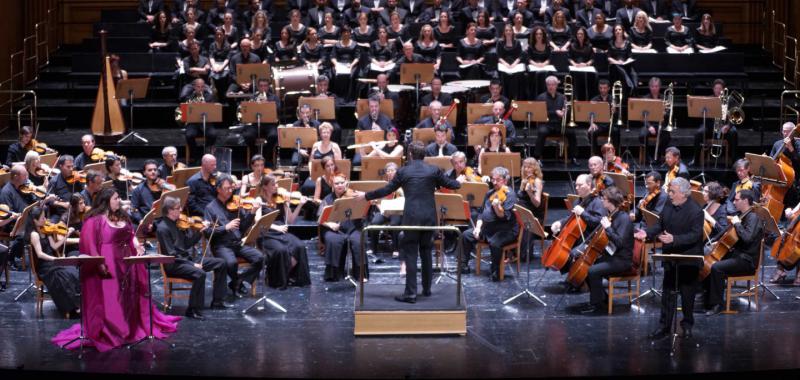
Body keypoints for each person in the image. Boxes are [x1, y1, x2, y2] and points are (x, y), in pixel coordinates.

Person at [52, 188, 181, 352]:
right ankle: (115, 331)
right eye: (115, 198)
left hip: (126, 262)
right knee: (112, 297)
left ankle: (129, 328)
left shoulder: (122, 216)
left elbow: (130, 233)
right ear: (106, 200)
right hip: (108, 261)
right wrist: (99, 263)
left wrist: (135, 244)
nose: (118, 201)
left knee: (127, 296)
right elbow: (90, 244)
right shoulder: (94, 220)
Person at [358, 141, 460, 301]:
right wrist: (460, 180)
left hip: (411, 218)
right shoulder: (433, 170)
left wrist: (366, 196)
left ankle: (411, 293)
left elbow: (386, 190)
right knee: (426, 252)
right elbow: (453, 184)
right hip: (429, 218)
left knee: (411, 254)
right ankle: (427, 290)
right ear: (424, 155)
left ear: (410, 155)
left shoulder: (403, 172)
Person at [634, 177, 703, 340]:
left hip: (688, 258)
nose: (669, 194)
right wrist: (648, 233)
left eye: (672, 191)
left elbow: (696, 235)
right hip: (670, 256)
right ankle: (664, 327)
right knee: (668, 294)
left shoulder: (696, 211)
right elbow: (660, 225)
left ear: (684, 194)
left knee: (687, 295)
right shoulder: (669, 204)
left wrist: (675, 239)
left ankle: (687, 326)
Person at [156, 196, 228, 320]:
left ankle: (217, 301)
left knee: (221, 263)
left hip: (186, 260)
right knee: (200, 274)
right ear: (170, 210)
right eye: (178, 208)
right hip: (174, 264)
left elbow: (186, 244)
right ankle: (193, 309)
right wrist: (192, 264)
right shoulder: (163, 228)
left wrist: (200, 232)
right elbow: (171, 254)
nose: (181, 210)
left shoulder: (177, 224)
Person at [204, 174, 265, 297]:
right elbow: (207, 232)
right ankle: (237, 282)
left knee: (260, 258)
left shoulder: (236, 204)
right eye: (227, 188)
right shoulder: (210, 208)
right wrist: (225, 228)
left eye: (232, 188)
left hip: (237, 244)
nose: (231, 191)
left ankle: (238, 281)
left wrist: (252, 212)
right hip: (221, 245)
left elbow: (243, 228)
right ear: (218, 189)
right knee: (231, 263)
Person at [705, 189, 763, 316]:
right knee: (708, 263)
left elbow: (747, 239)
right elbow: (734, 238)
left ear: (746, 201)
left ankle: (718, 305)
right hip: (738, 255)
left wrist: (737, 224)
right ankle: (708, 300)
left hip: (747, 261)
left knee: (716, 267)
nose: (734, 202)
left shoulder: (753, 217)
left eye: (737, 200)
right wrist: (717, 243)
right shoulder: (742, 216)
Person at [578, 186, 635, 314]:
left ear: (610, 201)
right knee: (586, 266)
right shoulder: (612, 215)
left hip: (622, 260)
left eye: (603, 199)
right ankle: (602, 299)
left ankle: (598, 305)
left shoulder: (624, 218)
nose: (601, 201)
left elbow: (619, 243)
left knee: (592, 271)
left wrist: (608, 228)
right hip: (612, 256)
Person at [254, 175, 312, 289]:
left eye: (276, 184)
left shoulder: (280, 199)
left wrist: (300, 204)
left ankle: (290, 276)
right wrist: (276, 227)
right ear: (265, 187)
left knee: (300, 246)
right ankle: (277, 280)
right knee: (281, 250)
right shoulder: (259, 200)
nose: (276, 186)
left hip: (281, 232)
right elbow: (258, 220)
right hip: (267, 233)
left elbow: (291, 219)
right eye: (273, 184)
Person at [460, 166, 518, 280]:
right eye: (493, 179)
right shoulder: (490, 193)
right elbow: (481, 213)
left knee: (495, 243)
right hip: (487, 229)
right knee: (466, 235)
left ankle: (495, 271)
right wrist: (477, 228)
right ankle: (463, 265)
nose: (494, 182)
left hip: (505, 230)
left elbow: (503, 216)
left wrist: (497, 206)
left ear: (505, 180)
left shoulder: (510, 195)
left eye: (498, 180)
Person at [550, 174, 607, 275]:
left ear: (589, 185)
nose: (577, 188)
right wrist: (559, 223)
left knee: (571, 254)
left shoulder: (598, 202)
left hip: (591, 239)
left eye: (580, 185)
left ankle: (577, 279)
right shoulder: (578, 200)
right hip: (578, 236)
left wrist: (583, 213)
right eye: (576, 185)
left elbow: (598, 222)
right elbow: (571, 217)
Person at [319, 174, 367, 281]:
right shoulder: (327, 199)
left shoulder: (353, 196)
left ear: (346, 183)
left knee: (358, 240)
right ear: (332, 185)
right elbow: (320, 218)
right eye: (337, 183)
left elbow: (362, 212)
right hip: (335, 229)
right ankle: (334, 274)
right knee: (333, 241)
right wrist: (330, 224)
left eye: (342, 183)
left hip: (353, 227)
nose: (340, 185)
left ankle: (359, 274)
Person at [688, 79, 738, 166]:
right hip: (710, 126)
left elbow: (735, 116)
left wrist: (728, 126)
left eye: (720, 89)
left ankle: (733, 160)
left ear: (724, 89)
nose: (718, 91)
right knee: (699, 133)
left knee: (733, 132)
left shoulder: (730, 100)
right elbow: (705, 118)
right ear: (713, 89)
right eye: (716, 88)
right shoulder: (709, 99)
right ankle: (696, 159)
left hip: (724, 128)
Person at [365, 162, 404, 265]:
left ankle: (396, 249)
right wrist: (380, 207)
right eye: (388, 171)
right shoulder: (382, 185)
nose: (390, 173)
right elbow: (377, 200)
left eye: (392, 170)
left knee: (395, 224)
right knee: (374, 223)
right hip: (383, 210)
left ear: (397, 172)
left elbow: (402, 201)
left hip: (396, 211)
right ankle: (373, 248)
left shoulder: (402, 184)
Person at [535, 75, 577, 166]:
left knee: (572, 132)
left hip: (559, 124)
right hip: (546, 124)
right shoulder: (541, 97)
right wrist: (555, 112)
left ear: (556, 85)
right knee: (541, 132)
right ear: (546, 85)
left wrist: (566, 112)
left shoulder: (563, 97)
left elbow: (568, 113)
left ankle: (573, 157)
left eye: (553, 84)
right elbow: (540, 112)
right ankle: (537, 158)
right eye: (549, 84)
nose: (551, 86)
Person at [181, 78, 217, 162]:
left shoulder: (209, 97)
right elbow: (184, 109)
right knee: (189, 135)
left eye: (202, 87)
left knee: (213, 134)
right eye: (198, 87)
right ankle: (195, 155)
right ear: (194, 87)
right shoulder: (189, 97)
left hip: (207, 123)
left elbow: (214, 109)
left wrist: (205, 105)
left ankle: (206, 154)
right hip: (193, 123)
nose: (200, 89)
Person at [131, 160, 176, 226]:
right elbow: (133, 209)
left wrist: (166, 187)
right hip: (151, 221)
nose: (153, 172)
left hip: (165, 217)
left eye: (155, 170)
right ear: (144, 173)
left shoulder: (163, 184)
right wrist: (141, 220)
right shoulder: (138, 190)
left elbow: (174, 197)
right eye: (150, 170)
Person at [638, 77, 670, 164]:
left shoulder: (664, 98)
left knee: (666, 136)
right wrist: (649, 126)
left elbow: (668, 114)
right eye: (652, 86)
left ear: (659, 87)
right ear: (649, 87)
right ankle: (647, 157)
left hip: (661, 124)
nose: (654, 88)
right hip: (649, 124)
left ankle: (659, 156)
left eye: (656, 86)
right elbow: (642, 116)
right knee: (642, 135)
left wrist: (665, 113)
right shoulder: (645, 98)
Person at [587, 80, 620, 155]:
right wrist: (592, 123)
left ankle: (615, 155)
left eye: (605, 88)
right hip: (599, 125)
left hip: (610, 125)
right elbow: (589, 114)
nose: (602, 90)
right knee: (591, 132)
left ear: (608, 88)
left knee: (616, 131)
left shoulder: (613, 99)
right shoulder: (594, 100)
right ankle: (596, 154)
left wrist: (615, 111)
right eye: (601, 88)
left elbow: (617, 116)